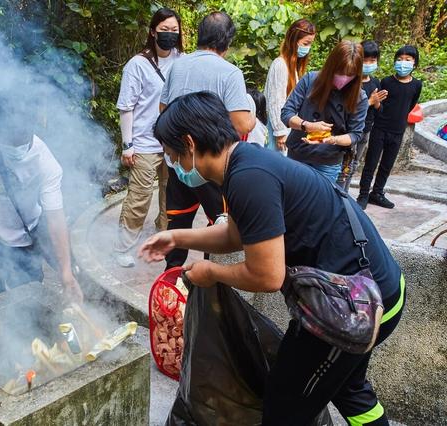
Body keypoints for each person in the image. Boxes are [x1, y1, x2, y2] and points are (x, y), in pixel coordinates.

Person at [139, 91, 405, 426]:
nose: (174, 165)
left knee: (284, 404)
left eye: (172, 155)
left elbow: (267, 275)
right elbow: (235, 235)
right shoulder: (244, 162)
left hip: (355, 303)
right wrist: (176, 236)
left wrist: (212, 272)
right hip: (378, 287)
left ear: (189, 144)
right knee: (348, 387)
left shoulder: (249, 178)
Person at [0, 100, 83, 304]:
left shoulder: (45, 163)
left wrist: (65, 272)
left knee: (30, 296)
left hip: (24, 234)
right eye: (9, 142)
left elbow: (55, 219)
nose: (16, 147)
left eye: (21, 140)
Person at [159, 11, 255, 269]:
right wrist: (253, 117)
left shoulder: (177, 65)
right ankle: (211, 282)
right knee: (221, 224)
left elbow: (163, 110)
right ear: (227, 41)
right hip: (209, 164)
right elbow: (242, 124)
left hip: (178, 159)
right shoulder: (229, 72)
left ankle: (171, 283)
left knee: (178, 219)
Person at [113, 8, 183, 268]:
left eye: (174, 31)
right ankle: (123, 247)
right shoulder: (138, 64)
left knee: (171, 195)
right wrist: (128, 144)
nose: (169, 35)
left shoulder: (182, 60)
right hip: (144, 143)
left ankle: (162, 238)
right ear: (153, 32)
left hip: (173, 142)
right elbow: (126, 107)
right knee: (139, 197)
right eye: (164, 30)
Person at [281, 40, 368, 182]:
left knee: (319, 203)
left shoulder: (360, 97)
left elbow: (355, 134)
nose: (344, 78)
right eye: (340, 72)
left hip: (328, 163)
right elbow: (286, 113)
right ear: (331, 66)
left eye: (350, 74)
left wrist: (332, 140)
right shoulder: (310, 80)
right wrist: (306, 125)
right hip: (297, 156)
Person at [358, 45, 423, 209]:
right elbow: (379, 106)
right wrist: (379, 106)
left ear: (414, 64)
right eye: (400, 59)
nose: (403, 63)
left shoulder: (417, 85)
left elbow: (410, 105)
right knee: (370, 163)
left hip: (398, 130)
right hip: (379, 128)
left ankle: (377, 193)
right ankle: (363, 194)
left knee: (387, 165)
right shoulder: (386, 82)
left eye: (407, 60)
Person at [336, 40, 388, 191]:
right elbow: (346, 108)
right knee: (344, 165)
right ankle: (339, 194)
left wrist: (377, 103)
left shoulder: (376, 82)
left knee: (354, 164)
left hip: (365, 131)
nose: (368, 64)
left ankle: (345, 193)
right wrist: (369, 102)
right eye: (365, 60)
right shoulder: (350, 81)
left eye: (372, 60)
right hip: (350, 131)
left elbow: (379, 111)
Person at [264, 19, 316, 154]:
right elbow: (275, 102)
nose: (308, 48)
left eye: (310, 44)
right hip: (279, 131)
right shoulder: (280, 65)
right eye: (306, 43)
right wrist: (280, 132)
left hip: (288, 128)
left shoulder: (294, 68)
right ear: (293, 40)